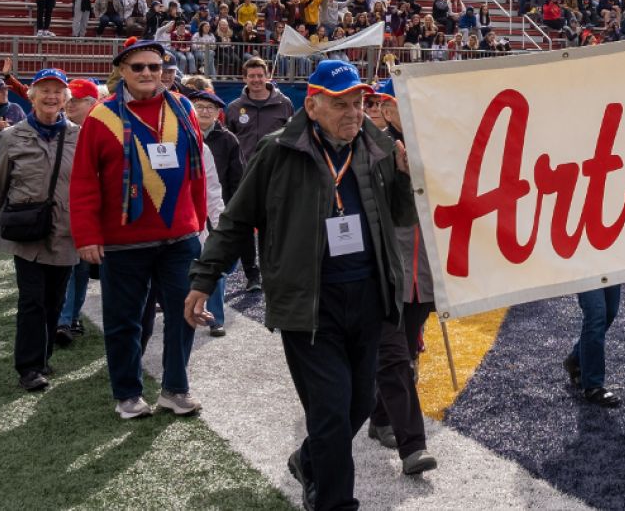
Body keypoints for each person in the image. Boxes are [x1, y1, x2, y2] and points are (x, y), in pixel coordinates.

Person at [185, 60, 417, 511]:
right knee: (330, 412)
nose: (353, 113)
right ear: (311, 105)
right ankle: (335, 502)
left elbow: (403, 218)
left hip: (370, 299)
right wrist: (204, 277)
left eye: (358, 103)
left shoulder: (381, 148)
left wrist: (407, 180)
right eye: (340, 104)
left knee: (358, 404)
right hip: (310, 303)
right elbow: (236, 221)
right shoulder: (278, 151)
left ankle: (309, 458)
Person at [69, 38, 207, 420]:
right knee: (125, 320)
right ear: (122, 72)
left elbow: (197, 176)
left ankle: (175, 389)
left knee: (185, 314)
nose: (148, 73)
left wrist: (199, 226)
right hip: (123, 241)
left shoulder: (183, 109)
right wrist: (88, 235)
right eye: (138, 67)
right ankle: (127, 393)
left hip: (180, 238)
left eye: (155, 66)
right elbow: (83, 182)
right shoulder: (100, 117)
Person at [0, 69, 78, 392]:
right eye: (44, 90)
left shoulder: (80, 135)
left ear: (66, 99)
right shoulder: (11, 137)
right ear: (31, 96)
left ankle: (43, 357)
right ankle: (29, 367)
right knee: (31, 300)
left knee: (54, 301)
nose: (51, 96)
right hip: (27, 234)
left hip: (66, 234)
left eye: (58, 92)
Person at [365, 79, 438, 475]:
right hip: (387, 271)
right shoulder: (373, 148)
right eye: (396, 102)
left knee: (404, 352)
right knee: (394, 357)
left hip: (424, 273)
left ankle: (379, 419)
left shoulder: (432, 145)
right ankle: (413, 444)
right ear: (387, 108)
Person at [224, 56, 294, 291]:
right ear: (245, 78)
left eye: (260, 75)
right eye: (251, 76)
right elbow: (229, 144)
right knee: (243, 226)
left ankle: (272, 271)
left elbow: (291, 138)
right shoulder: (234, 108)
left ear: (267, 76)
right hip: (243, 178)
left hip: (275, 176)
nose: (256, 80)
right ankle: (252, 275)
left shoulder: (284, 104)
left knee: (273, 227)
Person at [185, 85, 242, 338]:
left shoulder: (225, 140)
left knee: (214, 266)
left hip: (212, 213)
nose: (205, 112)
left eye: (211, 108)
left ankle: (216, 317)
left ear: (219, 112)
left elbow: (224, 183)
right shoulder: (179, 139)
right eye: (199, 107)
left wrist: (224, 219)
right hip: (182, 217)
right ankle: (183, 311)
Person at [55, 79, 105, 347]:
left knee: (93, 269)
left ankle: (72, 317)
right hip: (73, 209)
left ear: (91, 103)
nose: (70, 103)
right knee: (75, 266)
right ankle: (66, 319)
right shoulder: (63, 130)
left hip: (106, 213)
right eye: (69, 99)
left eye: (76, 99)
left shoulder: (106, 129)